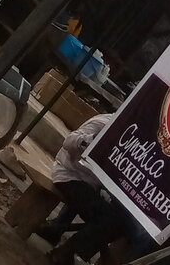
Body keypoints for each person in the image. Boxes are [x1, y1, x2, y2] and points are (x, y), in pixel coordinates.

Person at [44, 112, 130, 264]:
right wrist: (92, 141)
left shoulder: (130, 136)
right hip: (69, 175)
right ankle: (65, 252)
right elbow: (69, 141)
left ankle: (63, 241)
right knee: (109, 220)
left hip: (90, 184)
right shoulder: (104, 123)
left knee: (121, 222)